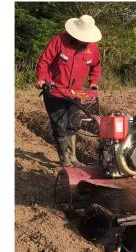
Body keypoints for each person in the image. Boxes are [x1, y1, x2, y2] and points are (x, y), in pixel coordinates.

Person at [35, 14, 102, 166]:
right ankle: (64, 159)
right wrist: (41, 79)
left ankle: (73, 158)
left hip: (75, 93)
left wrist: (93, 83)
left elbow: (96, 66)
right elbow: (44, 62)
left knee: (73, 124)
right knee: (60, 125)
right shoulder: (59, 41)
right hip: (54, 91)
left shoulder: (92, 48)